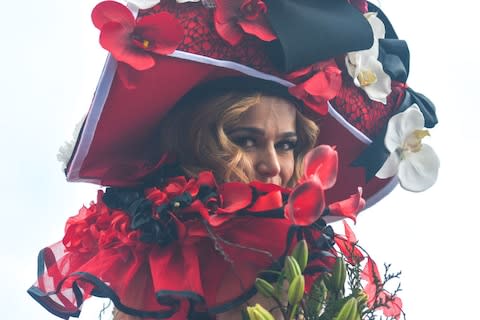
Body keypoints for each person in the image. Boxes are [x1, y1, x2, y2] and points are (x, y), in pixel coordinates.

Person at [28, 1, 439, 319]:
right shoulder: (150, 259)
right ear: (197, 143)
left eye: (287, 145)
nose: (273, 166)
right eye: (246, 140)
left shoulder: (311, 263)